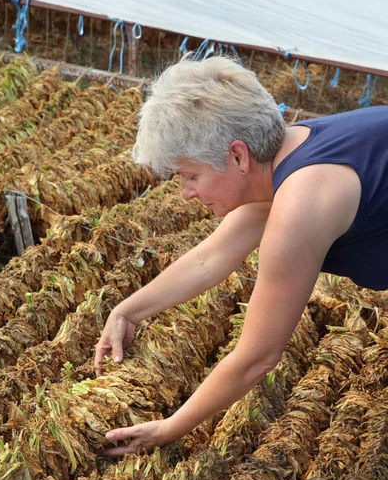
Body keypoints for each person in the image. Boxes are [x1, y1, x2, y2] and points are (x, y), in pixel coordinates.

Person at [95, 55, 388, 457]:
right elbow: (210, 258)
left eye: (190, 175)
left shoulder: (303, 201)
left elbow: (257, 356)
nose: (186, 193)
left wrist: (166, 430)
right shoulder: (290, 154)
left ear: (237, 156)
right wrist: (126, 312)